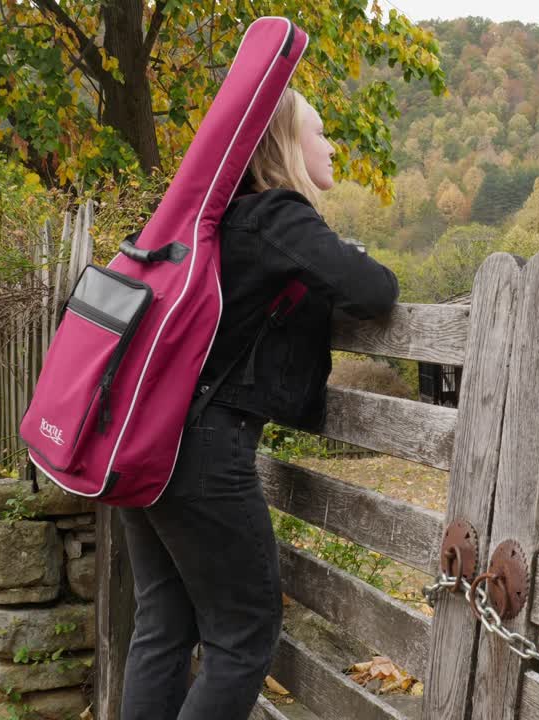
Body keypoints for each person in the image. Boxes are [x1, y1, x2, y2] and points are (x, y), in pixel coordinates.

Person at [117, 87, 399, 720]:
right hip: (203, 452)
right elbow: (375, 290)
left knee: (163, 624)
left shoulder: (213, 225)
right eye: (320, 132)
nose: (331, 146)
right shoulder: (276, 215)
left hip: (144, 437)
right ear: (284, 146)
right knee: (242, 637)